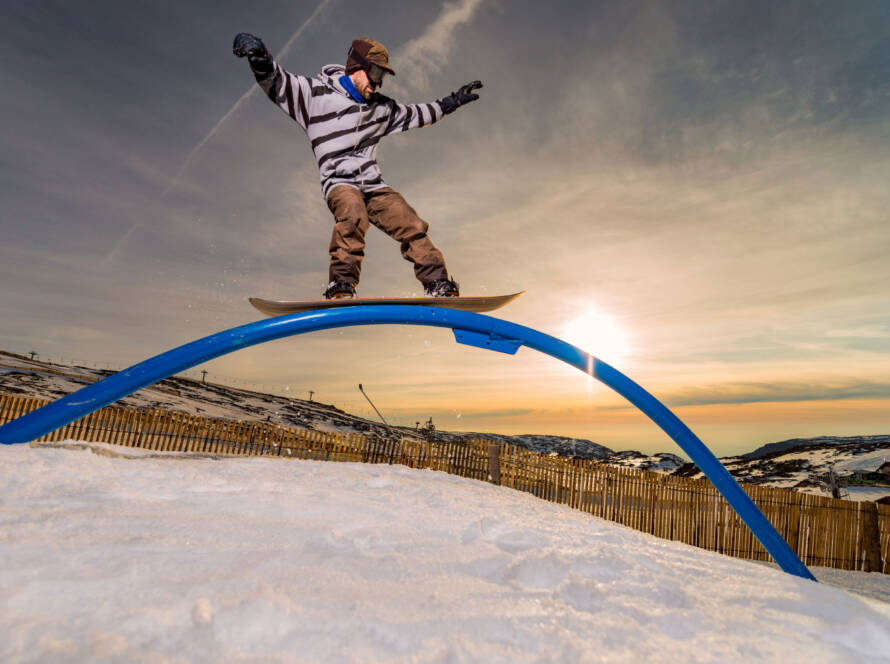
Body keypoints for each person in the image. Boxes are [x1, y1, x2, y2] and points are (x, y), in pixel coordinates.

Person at [233, 33, 483, 299]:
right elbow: (279, 83)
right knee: (353, 214)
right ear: (356, 67)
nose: (377, 83)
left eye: (382, 76)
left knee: (410, 221)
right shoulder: (315, 95)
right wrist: (260, 59)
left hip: (374, 185)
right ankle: (341, 283)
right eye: (374, 73)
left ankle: (437, 283)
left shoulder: (381, 108)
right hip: (340, 183)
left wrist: (449, 103)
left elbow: (415, 114)